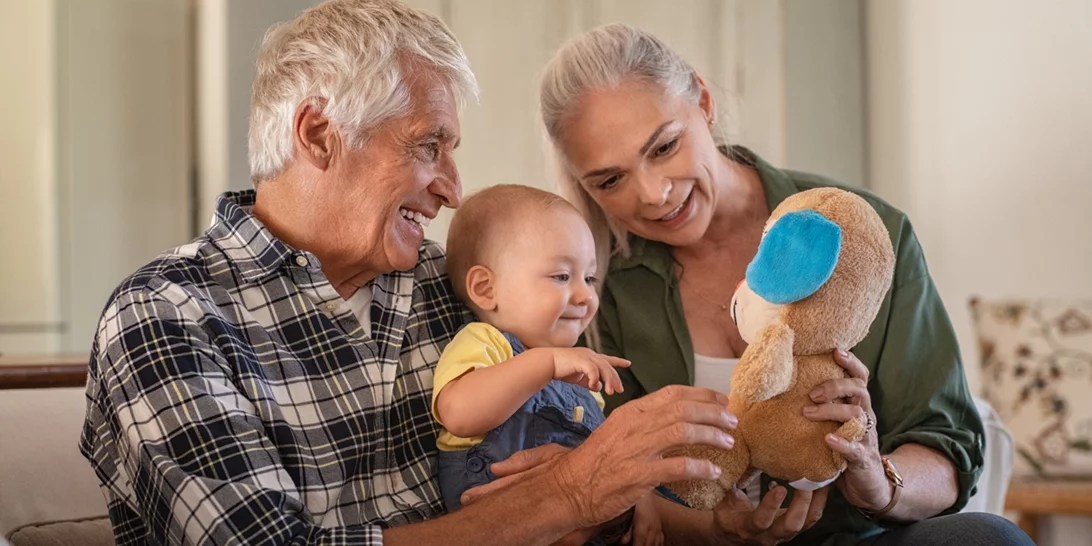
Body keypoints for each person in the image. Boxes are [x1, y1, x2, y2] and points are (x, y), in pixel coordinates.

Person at [79, 2, 742, 545]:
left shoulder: (454, 282)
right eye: (429, 146)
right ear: (318, 134)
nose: (454, 192)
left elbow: (565, 468)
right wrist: (565, 495)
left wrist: (610, 506)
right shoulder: (166, 318)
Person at [532, 23, 1035, 546]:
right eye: (611, 180)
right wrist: (717, 528)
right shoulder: (592, 288)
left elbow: (946, 448)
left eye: (664, 147)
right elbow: (613, 485)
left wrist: (877, 480)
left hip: (858, 539)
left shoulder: (862, 233)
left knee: (990, 539)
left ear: (703, 102)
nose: (655, 194)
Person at [435, 184, 664, 545]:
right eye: (561, 276)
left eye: (589, 278)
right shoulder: (486, 343)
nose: (586, 295)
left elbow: (606, 464)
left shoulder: (576, 377)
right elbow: (459, 414)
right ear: (485, 289)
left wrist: (637, 494)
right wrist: (546, 362)